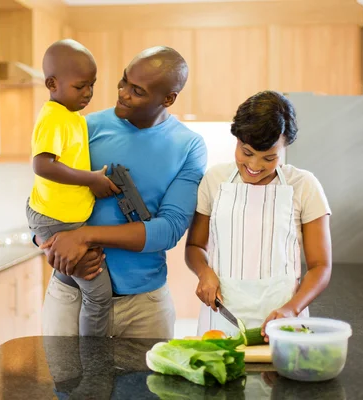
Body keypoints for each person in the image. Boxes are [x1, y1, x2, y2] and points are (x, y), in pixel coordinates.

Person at [35, 46, 207, 339]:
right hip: (71, 295)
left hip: (144, 306)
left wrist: (85, 236)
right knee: (65, 386)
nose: (123, 93)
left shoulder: (189, 146)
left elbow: (170, 230)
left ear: (168, 99)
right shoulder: (84, 126)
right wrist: (48, 242)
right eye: (123, 81)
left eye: (137, 91)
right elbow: (42, 193)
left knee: (147, 387)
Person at [185, 91, 332, 341]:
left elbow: (321, 267)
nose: (254, 166)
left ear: (284, 148)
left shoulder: (304, 185)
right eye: (246, 152)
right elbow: (195, 246)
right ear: (237, 140)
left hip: (282, 323)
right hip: (221, 320)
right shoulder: (214, 179)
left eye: (269, 158)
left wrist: (291, 309)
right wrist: (204, 273)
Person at [26, 39, 120, 337]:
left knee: (86, 286)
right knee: (100, 295)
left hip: (62, 218)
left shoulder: (73, 118)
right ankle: (94, 367)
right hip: (56, 220)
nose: (89, 93)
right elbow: (42, 165)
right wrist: (91, 179)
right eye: (81, 86)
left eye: (92, 85)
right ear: (52, 83)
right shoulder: (54, 118)